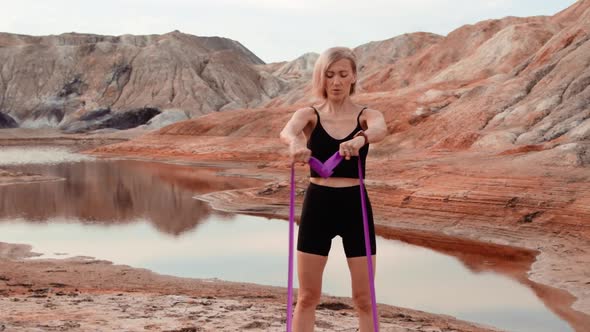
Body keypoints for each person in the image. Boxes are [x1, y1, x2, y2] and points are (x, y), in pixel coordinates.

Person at [279, 47, 388, 332]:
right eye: (329, 75)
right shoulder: (309, 114)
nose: (336, 81)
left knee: (365, 300)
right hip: (318, 206)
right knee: (307, 297)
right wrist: (295, 144)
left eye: (342, 74)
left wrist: (360, 140)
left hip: (355, 206)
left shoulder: (367, 115)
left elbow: (380, 129)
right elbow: (289, 130)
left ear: (353, 77)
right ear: (321, 78)